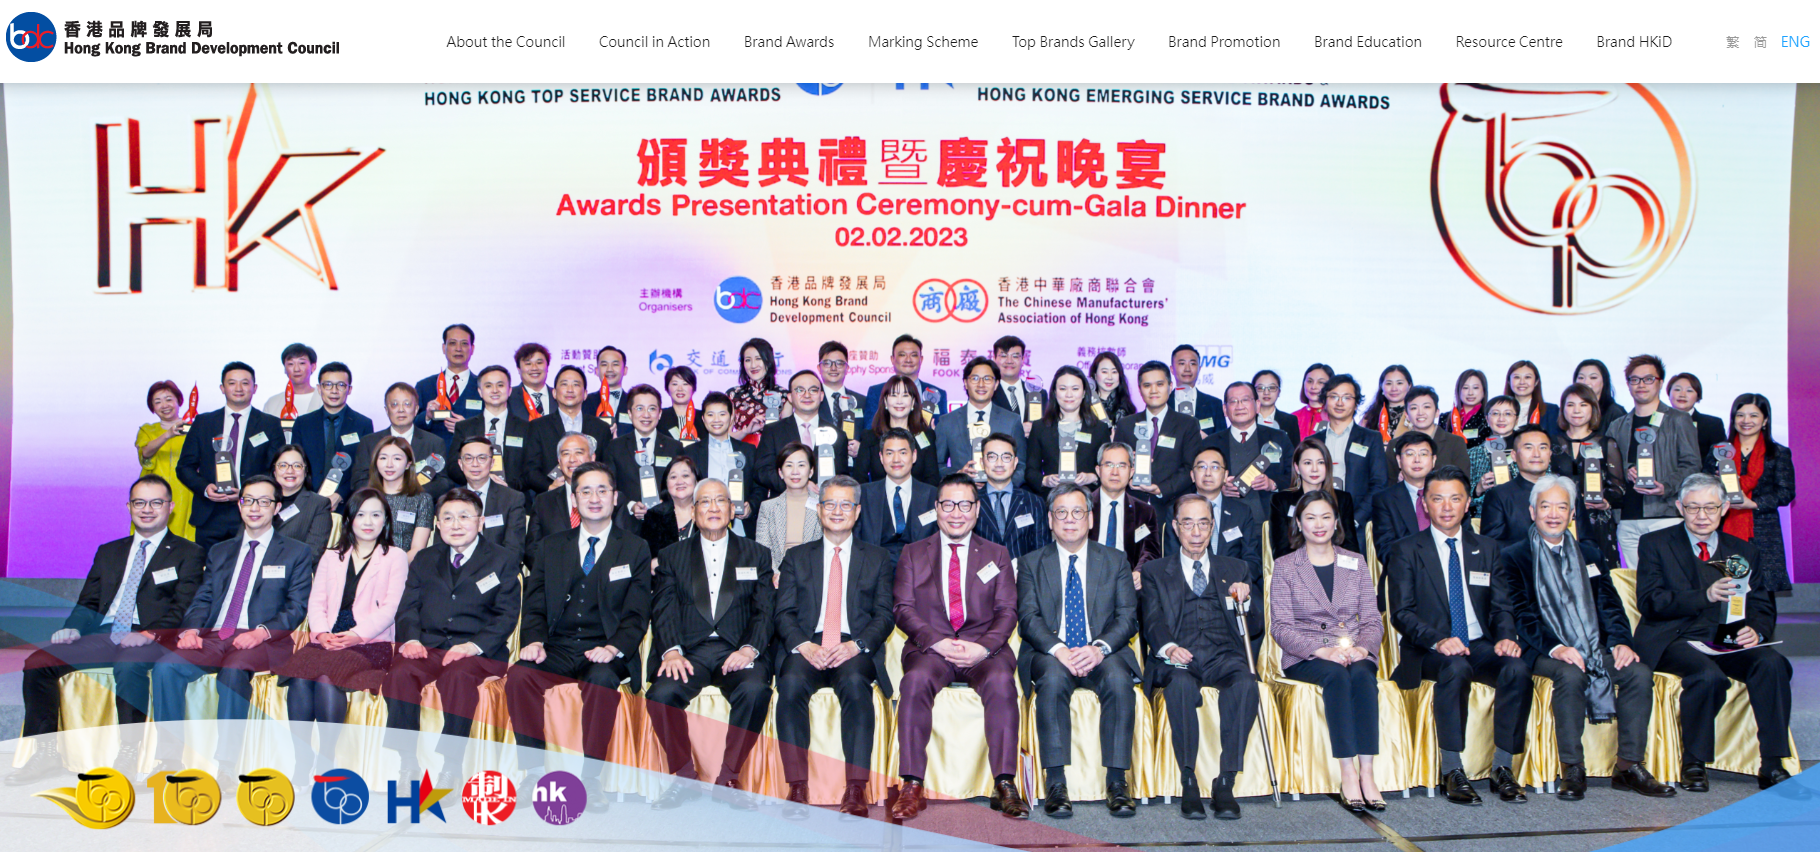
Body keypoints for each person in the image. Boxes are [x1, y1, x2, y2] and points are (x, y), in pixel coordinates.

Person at [6, 476, 204, 784]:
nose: (147, 509)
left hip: (152, 635)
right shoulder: (109, 551)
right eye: (139, 502)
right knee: (38, 662)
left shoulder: (188, 552)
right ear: (129, 507)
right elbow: (89, 601)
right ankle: (45, 752)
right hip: (107, 632)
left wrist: (150, 634)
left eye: (156, 502)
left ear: (170, 506)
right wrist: (72, 628)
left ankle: (129, 750)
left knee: (129, 664)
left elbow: (184, 606)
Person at [1496, 474, 1674, 800]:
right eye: (1545, 506)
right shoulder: (1514, 556)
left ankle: (1629, 766)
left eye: (1561, 507)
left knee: (1637, 672)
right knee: (1570, 673)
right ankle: (1573, 768)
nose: (1553, 514)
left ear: (1572, 513)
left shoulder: (1589, 554)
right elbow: (1521, 614)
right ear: (1532, 511)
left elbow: (1610, 605)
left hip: (1593, 645)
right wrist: (1557, 647)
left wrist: (1620, 641)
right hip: (1542, 649)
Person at [1633, 474, 1794, 791]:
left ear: (1724, 509)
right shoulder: (1656, 544)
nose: (1702, 515)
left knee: (1772, 664)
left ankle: (1772, 763)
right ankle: (1694, 762)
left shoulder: (1743, 551)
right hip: (1674, 637)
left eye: (1710, 507)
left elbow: (1762, 606)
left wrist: (1756, 631)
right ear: (1680, 507)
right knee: (1708, 676)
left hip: (1726, 639)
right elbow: (1650, 602)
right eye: (1693, 507)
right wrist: (1704, 595)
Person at [1385, 466, 1531, 805]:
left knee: (1517, 669)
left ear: (1468, 504)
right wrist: (1438, 640)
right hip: (1429, 649)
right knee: (1455, 667)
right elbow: (1402, 612)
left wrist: (1506, 636)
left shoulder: (1487, 548)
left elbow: (1502, 606)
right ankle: (1452, 770)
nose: (1447, 507)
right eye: (1438, 499)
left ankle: (1503, 767)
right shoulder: (1406, 549)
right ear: (1425, 504)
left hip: (1478, 644)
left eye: (1455, 499)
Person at [147, 475, 312, 774]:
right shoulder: (220, 551)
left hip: (263, 639)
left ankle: (226, 765)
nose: (255, 508)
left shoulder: (296, 552)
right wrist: (191, 630)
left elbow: (296, 607)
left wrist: (261, 632)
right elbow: (204, 597)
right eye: (248, 500)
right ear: (239, 505)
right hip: (215, 636)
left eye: (264, 501)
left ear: (276, 507)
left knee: (234, 669)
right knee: (166, 667)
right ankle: (169, 758)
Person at [508, 462, 651, 802]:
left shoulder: (635, 548)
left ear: (615, 497)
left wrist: (614, 647)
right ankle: (534, 771)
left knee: (601, 681)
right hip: (557, 646)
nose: (594, 498)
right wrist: (534, 640)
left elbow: (637, 614)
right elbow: (535, 604)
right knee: (520, 676)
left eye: (602, 490)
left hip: (605, 647)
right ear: (574, 500)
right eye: (586, 491)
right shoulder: (550, 546)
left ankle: (591, 778)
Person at [889, 475, 1026, 821]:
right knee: (914, 682)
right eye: (948, 504)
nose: (956, 513)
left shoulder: (997, 554)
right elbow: (903, 608)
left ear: (977, 510)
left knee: (1002, 683)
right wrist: (936, 642)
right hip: (931, 648)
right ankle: (912, 784)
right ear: (937, 508)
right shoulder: (913, 553)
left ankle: (1005, 782)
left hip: (983, 649)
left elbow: (1007, 611)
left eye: (965, 505)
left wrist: (984, 648)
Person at [646, 479, 775, 809]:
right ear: (693, 511)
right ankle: (684, 777)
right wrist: (671, 651)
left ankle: (728, 778)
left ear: (732, 510)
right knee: (661, 695)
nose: (713, 507)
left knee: (755, 690)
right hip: (690, 651)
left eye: (721, 501)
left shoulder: (757, 554)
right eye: (705, 502)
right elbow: (663, 609)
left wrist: (749, 649)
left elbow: (764, 610)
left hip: (738, 649)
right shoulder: (672, 555)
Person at [772, 476, 895, 819]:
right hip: (808, 645)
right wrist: (803, 645)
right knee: (790, 684)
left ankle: (856, 787)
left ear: (857, 511)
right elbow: (783, 612)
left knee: (856, 685)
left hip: (853, 647)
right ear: (819, 509)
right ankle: (798, 786)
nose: (837, 511)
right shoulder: (796, 557)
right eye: (830, 504)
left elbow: (884, 615)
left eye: (845, 504)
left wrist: (857, 645)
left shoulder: (877, 557)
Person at [383, 488, 522, 784]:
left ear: (480, 522)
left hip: (478, 651)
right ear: (437, 524)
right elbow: (408, 607)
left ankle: (451, 766)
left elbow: (506, 615)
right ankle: (407, 761)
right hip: (429, 646)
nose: (455, 525)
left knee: (457, 677)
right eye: (447, 518)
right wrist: (411, 639)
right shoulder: (424, 558)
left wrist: (473, 646)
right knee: (399, 673)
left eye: (464, 517)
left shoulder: (502, 559)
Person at [1018, 483, 1140, 818]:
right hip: (1052, 653)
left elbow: (1127, 618)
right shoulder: (1031, 563)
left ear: (1090, 518)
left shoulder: (1115, 560)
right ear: (1050, 520)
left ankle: (1117, 782)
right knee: (1053, 680)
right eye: (1061, 512)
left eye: (1077, 512)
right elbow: (1028, 618)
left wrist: (1099, 648)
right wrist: (1059, 649)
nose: (1069, 519)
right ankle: (1056, 783)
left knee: (1118, 680)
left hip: (1102, 651)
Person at [1137, 493, 1261, 820]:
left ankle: (1225, 781)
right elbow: (1152, 620)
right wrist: (1168, 647)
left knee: (1246, 684)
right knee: (1179, 685)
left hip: (1224, 654)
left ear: (1212, 527)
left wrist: (1245, 602)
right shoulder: (1155, 571)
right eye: (1188, 523)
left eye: (1203, 524)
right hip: (1180, 655)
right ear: (1175, 527)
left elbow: (1255, 626)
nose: (1196, 532)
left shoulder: (1235, 568)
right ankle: (1188, 780)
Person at [275, 488, 409, 778]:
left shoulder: (395, 557)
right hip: (328, 637)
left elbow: (390, 609)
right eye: (361, 514)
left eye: (376, 515)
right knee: (299, 678)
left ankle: (326, 759)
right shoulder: (332, 556)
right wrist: (322, 633)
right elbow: (317, 601)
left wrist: (357, 635)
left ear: (386, 520)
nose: (368, 521)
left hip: (370, 642)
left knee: (326, 678)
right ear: (349, 519)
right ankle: (302, 759)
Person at [1272, 490, 1385, 812]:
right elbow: (1281, 627)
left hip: (1354, 650)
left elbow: (1372, 619)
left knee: (1363, 677)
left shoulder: (1356, 561)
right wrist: (1322, 651)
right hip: (1307, 655)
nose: (1319, 524)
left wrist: (1362, 648)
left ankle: (1367, 772)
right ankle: (1347, 771)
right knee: (1336, 676)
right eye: (1310, 518)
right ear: (1298, 523)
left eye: (1326, 517)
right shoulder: (1286, 566)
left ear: (1336, 522)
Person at [176, 361, 287, 553]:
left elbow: (276, 469)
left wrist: (247, 492)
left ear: (254, 388)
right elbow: (185, 466)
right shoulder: (203, 422)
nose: (238, 388)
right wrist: (205, 488)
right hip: (210, 513)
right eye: (232, 383)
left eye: (245, 383)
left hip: (252, 510)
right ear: (222, 388)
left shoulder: (269, 424)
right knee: (209, 568)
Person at [1605, 355, 1700, 571]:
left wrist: (1666, 486)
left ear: (1660, 382)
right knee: (1636, 584)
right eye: (1634, 379)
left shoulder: (1678, 420)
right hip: (1627, 518)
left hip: (1665, 514)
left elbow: (1692, 465)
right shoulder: (1617, 426)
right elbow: (1610, 469)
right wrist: (1626, 470)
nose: (1641, 385)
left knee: (1671, 580)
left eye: (1648, 379)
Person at [1709, 394, 1794, 592]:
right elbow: (1704, 487)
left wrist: (1754, 504)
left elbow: (1786, 492)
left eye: (1753, 415)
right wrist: (1715, 482)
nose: (1746, 420)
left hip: (1764, 531)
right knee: (1725, 589)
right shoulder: (1718, 451)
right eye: (1740, 415)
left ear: (1765, 421)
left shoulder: (1778, 453)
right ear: (1733, 419)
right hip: (1724, 527)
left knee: (1763, 592)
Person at [1163, 447, 1264, 583]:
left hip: (1233, 586)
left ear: (1225, 476)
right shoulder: (1177, 510)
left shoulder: (1242, 512)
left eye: (1215, 467)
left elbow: (1252, 561)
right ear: (1192, 475)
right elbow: (1172, 559)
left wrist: (1233, 583)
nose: (1208, 473)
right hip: (1190, 586)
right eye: (1202, 467)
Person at [1554, 384, 1627, 568]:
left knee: (1599, 578)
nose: (1576, 410)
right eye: (1570, 405)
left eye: (1583, 404)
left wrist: (1605, 501)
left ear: (1593, 408)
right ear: (1563, 409)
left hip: (1597, 523)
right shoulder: (1551, 443)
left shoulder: (1606, 443)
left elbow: (1618, 487)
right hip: (1559, 520)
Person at [1114, 361, 1201, 508]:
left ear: (1170, 387)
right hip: (1132, 504)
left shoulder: (1187, 424)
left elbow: (1191, 467)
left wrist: (1161, 489)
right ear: (1140, 390)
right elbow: (1114, 463)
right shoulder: (1125, 425)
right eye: (1147, 385)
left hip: (1173, 505)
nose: (1153, 390)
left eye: (1160, 384)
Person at [1202, 380, 1292, 522]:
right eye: (1233, 401)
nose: (1239, 406)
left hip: (1269, 521)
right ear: (1225, 409)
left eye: (1245, 400)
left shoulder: (1278, 438)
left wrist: (1272, 484)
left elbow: (1294, 475)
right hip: (1226, 521)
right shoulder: (1210, 443)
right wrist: (1218, 489)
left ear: (1257, 405)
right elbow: (1198, 481)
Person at [757, 370, 856, 494]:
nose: (807, 395)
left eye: (813, 390)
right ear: (790, 397)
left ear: (821, 396)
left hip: (822, 502)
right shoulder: (773, 431)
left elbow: (841, 476)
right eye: (800, 390)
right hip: (785, 501)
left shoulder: (837, 435)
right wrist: (799, 484)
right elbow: (763, 471)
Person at [291, 362, 372, 510]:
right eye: (328, 385)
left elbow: (364, 469)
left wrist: (341, 494)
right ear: (319, 388)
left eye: (341, 385)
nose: (334, 391)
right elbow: (296, 463)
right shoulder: (303, 423)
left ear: (349, 389)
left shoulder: (363, 424)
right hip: (307, 502)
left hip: (347, 504)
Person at [1310, 374, 1386, 530]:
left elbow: (1379, 483)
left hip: (1357, 523)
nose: (1339, 403)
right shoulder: (1312, 441)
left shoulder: (1371, 438)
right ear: (1325, 401)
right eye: (1333, 397)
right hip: (1318, 522)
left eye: (1346, 397)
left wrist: (1356, 519)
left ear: (1356, 403)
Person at [934, 357, 1028, 482]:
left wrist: (1000, 484)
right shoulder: (947, 422)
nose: (981, 384)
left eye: (987, 379)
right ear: (965, 383)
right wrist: (958, 475)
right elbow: (936, 466)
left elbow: (1021, 466)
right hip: (961, 491)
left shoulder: (1012, 421)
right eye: (975, 378)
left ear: (996, 384)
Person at [526, 364, 617, 493]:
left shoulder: (601, 428)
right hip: (552, 498)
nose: (570, 390)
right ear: (554, 393)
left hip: (591, 496)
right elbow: (530, 470)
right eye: (564, 384)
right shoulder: (538, 426)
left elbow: (607, 468)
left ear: (585, 394)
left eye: (576, 384)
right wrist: (549, 487)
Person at [444, 365, 533, 494]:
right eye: (488, 386)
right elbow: (453, 467)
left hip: (514, 496)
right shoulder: (464, 427)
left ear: (509, 391)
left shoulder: (526, 428)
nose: (495, 390)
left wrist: (507, 487)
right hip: (473, 496)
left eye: (500, 385)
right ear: (480, 392)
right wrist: (480, 479)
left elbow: (531, 469)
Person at [445, 435, 529, 570]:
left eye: (482, 458)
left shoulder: (512, 499)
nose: (475, 464)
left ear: (492, 463)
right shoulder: (449, 500)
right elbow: (441, 549)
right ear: (460, 464)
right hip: (457, 571)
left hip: (496, 572)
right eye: (468, 458)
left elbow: (514, 550)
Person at [855, 428, 938, 563]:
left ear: (914, 456)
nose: (896, 459)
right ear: (881, 457)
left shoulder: (932, 495)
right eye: (889, 453)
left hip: (920, 568)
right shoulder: (863, 495)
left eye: (903, 453)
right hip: (873, 569)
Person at [1026, 365, 1110, 497]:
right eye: (1063, 389)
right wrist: (1044, 480)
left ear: (1084, 392)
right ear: (1054, 392)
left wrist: (1093, 477)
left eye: (1075, 389)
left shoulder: (1100, 429)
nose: (1069, 394)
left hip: (1087, 498)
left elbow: (1109, 468)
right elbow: (1030, 471)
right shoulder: (1039, 427)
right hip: (1051, 499)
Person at [351, 382, 448, 498]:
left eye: (407, 404)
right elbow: (358, 481)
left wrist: (411, 492)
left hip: (419, 504)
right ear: (386, 410)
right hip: (380, 504)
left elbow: (443, 483)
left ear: (416, 409)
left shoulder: (434, 442)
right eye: (394, 404)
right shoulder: (368, 442)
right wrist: (388, 492)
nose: (401, 410)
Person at [682, 392, 761, 533]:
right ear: (703, 419)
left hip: (741, 528)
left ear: (731, 418)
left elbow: (759, 486)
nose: (716, 420)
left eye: (722, 414)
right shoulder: (691, 452)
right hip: (703, 528)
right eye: (710, 415)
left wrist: (751, 505)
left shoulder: (748, 450)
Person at [608, 384, 686, 523]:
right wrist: (631, 505)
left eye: (652, 409)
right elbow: (609, 486)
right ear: (630, 414)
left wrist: (666, 503)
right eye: (639, 408)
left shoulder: (675, 447)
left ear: (659, 413)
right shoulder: (614, 447)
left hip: (664, 523)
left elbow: (681, 486)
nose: (646, 415)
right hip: (626, 524)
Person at [1271, 440, 1360, 562]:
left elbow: (1350, 547)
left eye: (1320, 462)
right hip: (1296, 568)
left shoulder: (1343, 499)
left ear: (1327, 466)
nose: (1314, 469)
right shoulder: (1282, 501)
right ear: (1297, 467)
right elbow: (1281, 551)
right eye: (1308, 463)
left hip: (1336, 566)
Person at [1089, 443, 1163, 577]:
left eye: (1121, 466)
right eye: (1109, 465)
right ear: (1098, 470)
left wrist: (1139, 572)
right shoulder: (1082, 506)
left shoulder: (1144, 512)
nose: (1115, 472)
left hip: (1127, 579)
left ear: (1131, 472)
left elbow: (1151, 551)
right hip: (1089, 578)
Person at [974, 432, 1051, 558]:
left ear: (1015, 462)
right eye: (992, 457)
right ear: (982, 462)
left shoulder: (1034, 502)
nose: (999, 463)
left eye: (1006, 457)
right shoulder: (971, 502)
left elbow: (1042, 552)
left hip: (1024, 570)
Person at [138, 380, 197, 541]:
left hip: (186, 492)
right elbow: (145, 453)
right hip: (154, 493)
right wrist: (168, 434)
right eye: (157, 402)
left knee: (185, 539)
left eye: (169, 399)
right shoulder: (147, 430)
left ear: (179, 401)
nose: (164, 405)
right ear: (152, 407)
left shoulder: (195, 428)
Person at [856, 374, 941, 485]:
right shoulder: (870, 437)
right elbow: (859, 480)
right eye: (894, 395)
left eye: (905, 395)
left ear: (913, 402)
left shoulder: (926, 436)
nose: (899, 401)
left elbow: (932, 480)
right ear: (885, 401)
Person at [1481, 425, 1554, 547]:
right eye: (1528, 448)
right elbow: (1492, 546)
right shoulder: (1498, 495)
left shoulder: (1565, 491)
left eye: (1542, 448)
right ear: (1514, 456)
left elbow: (1585, 541)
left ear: (1550, 455)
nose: (1536, 454)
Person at [1372, 432, 1438, 566]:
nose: (1417, 460)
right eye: (1410, 454)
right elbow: (1386, 550)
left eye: (1423, 454)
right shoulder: (1384, 500)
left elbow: (1464, 538)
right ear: (1399, 460)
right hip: (1406, 572)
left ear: (1434, 460)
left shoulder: (1449, 495)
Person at [528, 433, 599, 556]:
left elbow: (622, 545)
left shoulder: (610, 499)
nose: (572, 459)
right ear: (559, 462)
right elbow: (532, 550)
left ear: (592, 458)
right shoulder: (543, 502)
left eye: (579, 452)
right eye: (566, 454)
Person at [756, 443, 824, 571]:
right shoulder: (768, 507)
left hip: (814, 574)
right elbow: (763, 551)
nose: (795, 472)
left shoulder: (823, 506)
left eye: (801, 465)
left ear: (811, 471)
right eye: (789, 465)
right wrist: (775, 574)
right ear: (780, 472)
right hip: (778, 575)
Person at [369, 436, 434, 558]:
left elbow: (417, 549)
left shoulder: (422, 500)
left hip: (404, 565)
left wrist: (394, 567)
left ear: (408, 464)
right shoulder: (366, 498)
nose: (389, 465)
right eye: (383, 458)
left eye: (397, 458)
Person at [415, 323, 483, 440]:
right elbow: (411, 426)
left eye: (464, 343)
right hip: (433, 451)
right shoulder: (424, 386)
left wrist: (469, 428)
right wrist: (427, 416)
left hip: (470, 451)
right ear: (443, 348)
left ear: (472, 349)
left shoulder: (483, 386)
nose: (458, 349)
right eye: (452, 343)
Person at [862, 333, 947, 425]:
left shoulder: (937, 394)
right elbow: (870, 428)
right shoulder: (876, 392)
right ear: (892, 359)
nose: (908, 360)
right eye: (902, 355)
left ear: (921, 359)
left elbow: (944, 430)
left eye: (914, 355)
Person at [272, 445, 333, 563]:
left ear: (305, 472)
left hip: (292, 570)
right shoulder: (260, 500)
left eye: (297, 466)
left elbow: (313, 553)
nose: (290, 471)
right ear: (274, 471)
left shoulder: (319, 504)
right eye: (283, 465)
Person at [1467, 395, 1522, 517]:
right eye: (1495, 413)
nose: (1501, 419)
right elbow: (1462, 497)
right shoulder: (1473, 454)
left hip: (1522, 515)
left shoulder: (1527, 452)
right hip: (1483, 517)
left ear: (1517, 419)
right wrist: (1478, 489)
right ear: (1487, 418)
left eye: (1508, 414)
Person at [638, 457, 704, 554]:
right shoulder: (654, 516)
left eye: (685, 475)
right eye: (673, 477)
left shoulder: (707, 513)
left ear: (697, 481)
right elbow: (646, 556)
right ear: (666, 483)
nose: (679, 481)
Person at [1399, 386, 1470, 472]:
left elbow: (1463, 478)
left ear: (1437, 412)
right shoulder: (1395, 444)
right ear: (1406, 415)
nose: (1420, 413)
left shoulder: (1456, 443)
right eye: (1414, 408)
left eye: (1426, 407)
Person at [1668, 372, 1728, 464]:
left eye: (1689, 391)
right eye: (1677, 389)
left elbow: (1719, 460)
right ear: (1669, 393)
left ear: (1698, 396)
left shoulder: (1713, 424)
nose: (1682, 394)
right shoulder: (1657, 421)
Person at [990, 335, 1044, 432]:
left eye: (1015, 356)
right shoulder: (987, 393)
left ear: (1023, 359)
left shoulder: (1039, 394)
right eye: (1003, 356)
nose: (1009, 361)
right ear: (994, 358)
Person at [1170, 345, 1228, 433]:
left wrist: (1206, 439)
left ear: (1199, 369)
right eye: (1182, 363)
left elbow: (1222, 439)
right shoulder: (1163, 403)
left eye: (1192, 364)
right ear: (1172, 369)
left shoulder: (1214, 405)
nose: (1187, 369)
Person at [260, 342, 321, 419]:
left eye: (302, 363)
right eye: (291, 364)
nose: (296, 369)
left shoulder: (324, 399)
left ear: (313, 367)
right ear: (285, 369)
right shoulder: (272, 403)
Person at [583, 345, 632, 435]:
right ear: (596, 371)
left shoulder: (633, 402)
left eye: (615, 364)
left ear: (625, 370)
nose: (609, 369)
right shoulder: (585, 402)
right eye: (604, 365)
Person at [1504, 360, 1561, 438]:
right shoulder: (1497, 410)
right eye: (1517, 377)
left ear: (1536, 381)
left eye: (1527, 377)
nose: (1522, 382)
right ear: (1509, 381)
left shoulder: (1551, 411)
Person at [1360, 365, 1414, 444]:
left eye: (1399, 383)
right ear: (1381, 386)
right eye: (1388, 383)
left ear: (1409, 386)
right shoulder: (1370, 416)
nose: (1394, 389)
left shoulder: (1415, 414)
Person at [814, 340, 864, 424]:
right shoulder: (812, 399)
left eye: (839, 363)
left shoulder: (861, 401)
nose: (833, 368)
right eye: (827, 363)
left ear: (847, 368)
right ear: (819, 368)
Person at [1573, 359, 1628, 430]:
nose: (1585, 382)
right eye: (1581, 378)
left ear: (1604, 381)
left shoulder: (1615, 413)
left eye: (1593, 378)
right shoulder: (1570, 411)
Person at [1088, 351, 1137, 426]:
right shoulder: (1085, 403)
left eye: (1114, 372)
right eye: (1104, 372)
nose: (1109, 377)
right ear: (1095, 375)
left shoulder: (1126, 407)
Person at [507, 342, 554, 422]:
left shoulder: (559, 396)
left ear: (547, 367)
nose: (534, 368)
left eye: (539, 363)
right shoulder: (508, 397)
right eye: (528, 363)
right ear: (519, 369)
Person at [1445, 369, 1490, 450]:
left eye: (1475, 388)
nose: (1470, 393)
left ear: (1484, 391)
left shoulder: (1488, 418)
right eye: (1465, 388)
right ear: (1458, 391)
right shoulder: (1445, 417)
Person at [1252, 369, 1300, 441]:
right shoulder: (1247, 419)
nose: (1266, 392)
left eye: (1272, 388)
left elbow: (1295, 447)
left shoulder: (1290, 421)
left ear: (1279, 392)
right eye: (1261, 388)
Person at [657, 365, 700, 443]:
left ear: (693, 388)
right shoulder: (659, 417)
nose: (680, 389)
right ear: (667, 388)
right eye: (675, 384)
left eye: (685, 384)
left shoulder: (703, 417)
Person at [1293, 363, 1334, 441]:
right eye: (1310, 381)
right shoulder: (1293, 418)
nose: (1313, 387)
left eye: (1321, 382)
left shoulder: (1336, 417)